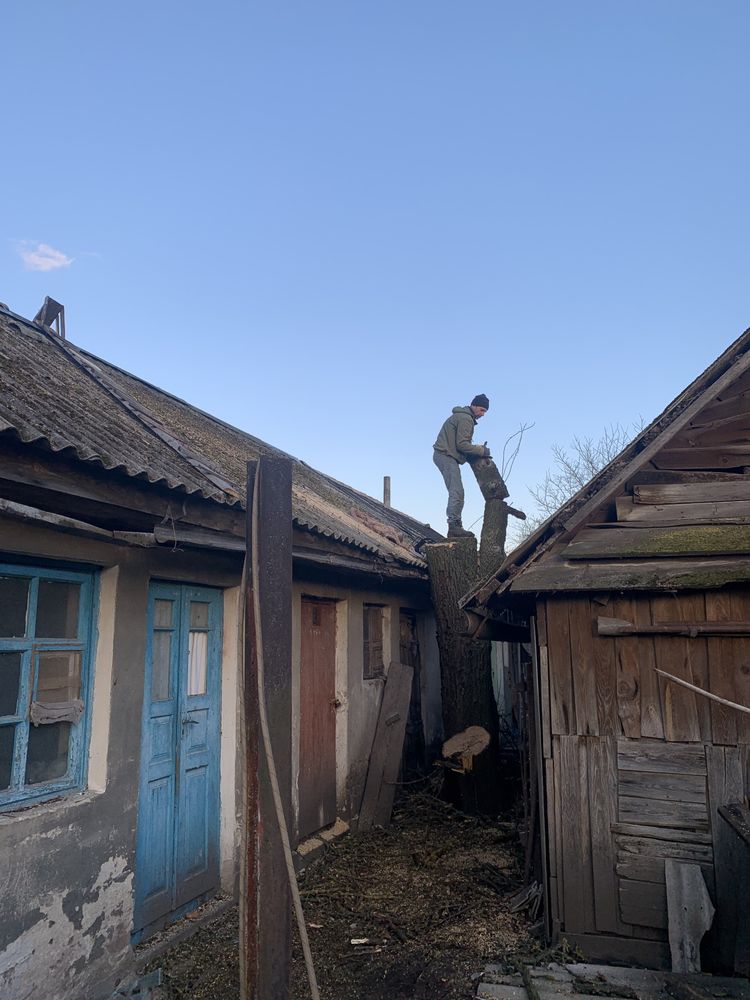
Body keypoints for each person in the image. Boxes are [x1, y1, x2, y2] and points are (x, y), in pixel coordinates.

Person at [433, 394, 491, 537]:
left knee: (457, 491)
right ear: (474, 405)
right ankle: (454, 526)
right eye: (482, 410)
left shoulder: (462, 416)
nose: (483, 414)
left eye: (485, 412)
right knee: (457, 491)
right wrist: (481, 450)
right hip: (445, 455)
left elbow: (460, 445)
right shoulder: (466, 419)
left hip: (445, 455)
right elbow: (462, 445)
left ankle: (455, 525)